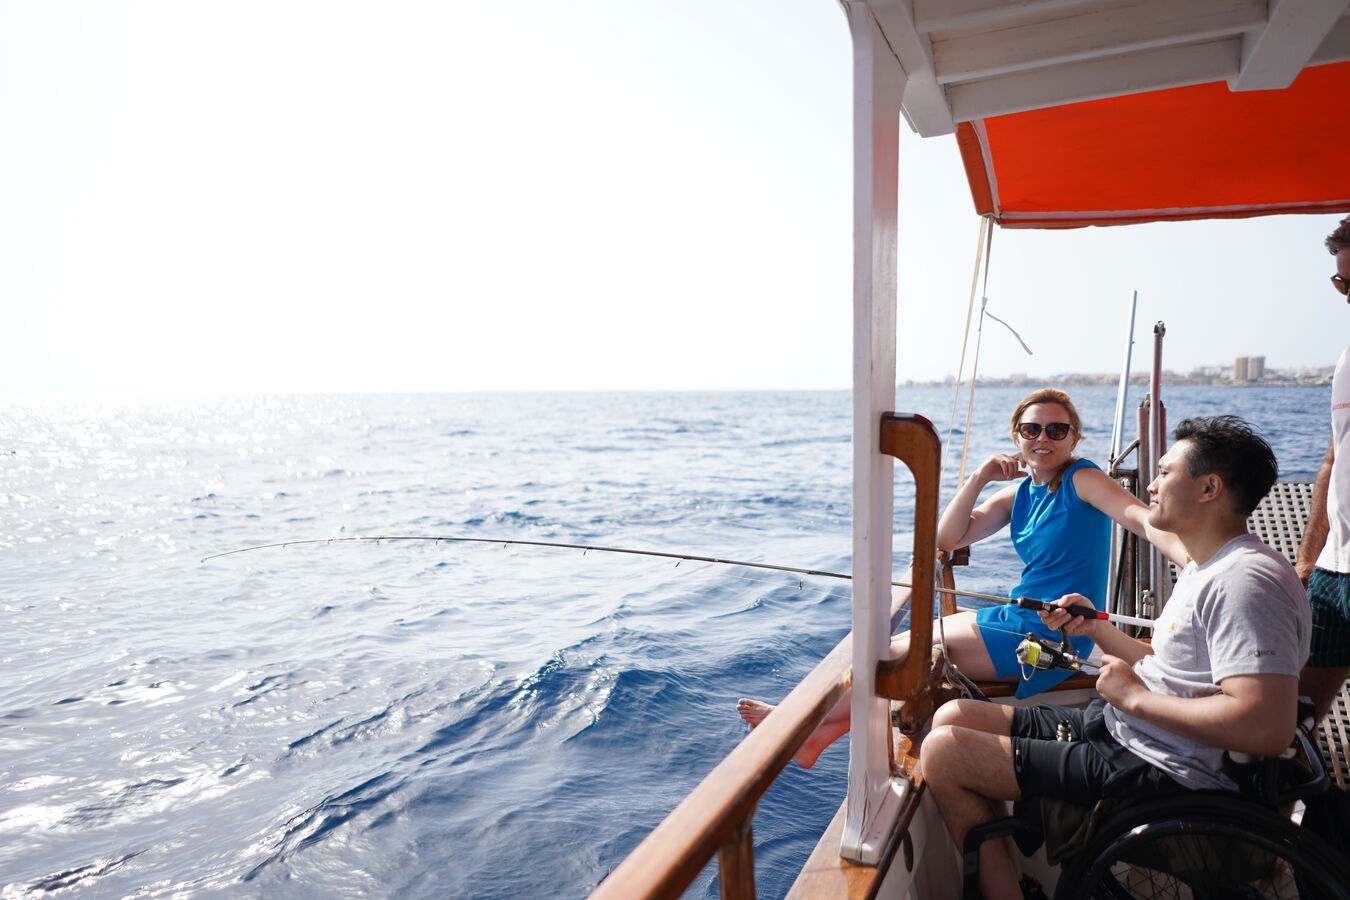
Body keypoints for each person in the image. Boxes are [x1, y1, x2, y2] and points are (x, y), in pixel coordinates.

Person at [921, 416, 1309, 900]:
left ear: (1210, 488)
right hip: (1126, 732)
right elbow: (1172, 666)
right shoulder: (1208, 567)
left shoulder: (1245, 583)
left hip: (1161, 769)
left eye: (1164, 473)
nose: (1151, 485)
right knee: (954, 715)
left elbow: (1266, 725)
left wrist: (1133, 698)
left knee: (943, 752)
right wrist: (1097, 628)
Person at [737, 388, 1188, 768]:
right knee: (892, 646)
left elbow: (1139, 518)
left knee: (895, 652)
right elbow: (948, 537)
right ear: (1016, 436)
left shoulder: (1083, 478)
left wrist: (1192, 558)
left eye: (1056, 430)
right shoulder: (1020, 493)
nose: (1043, 438)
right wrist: (979, 476)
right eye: (1031, 430)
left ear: (1074, 438)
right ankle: (816, 737)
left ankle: (797, 725)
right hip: (1017, 617)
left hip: (1056, 636)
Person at [1296, 214, 1350, 723]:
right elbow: (1334, 459)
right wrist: (1309, 558)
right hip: (1335, 570)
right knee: (1296, 714)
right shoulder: (1346, 358)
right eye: (1342, 284)